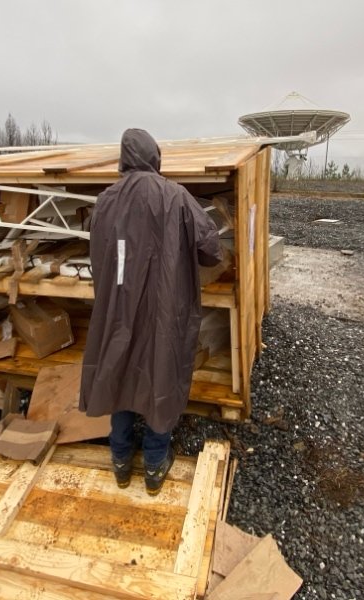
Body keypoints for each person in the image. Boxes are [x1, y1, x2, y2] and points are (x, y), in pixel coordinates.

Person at [79, 129, 222, 495]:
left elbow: (98, 251)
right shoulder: (175, 196)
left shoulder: (105, 200)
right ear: (155, 156)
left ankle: (121, 460)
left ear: (124, 159)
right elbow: (210, 248)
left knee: (120, 372)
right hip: (164, 308)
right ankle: (156, 465)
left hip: (119, 309)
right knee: (162, 373)